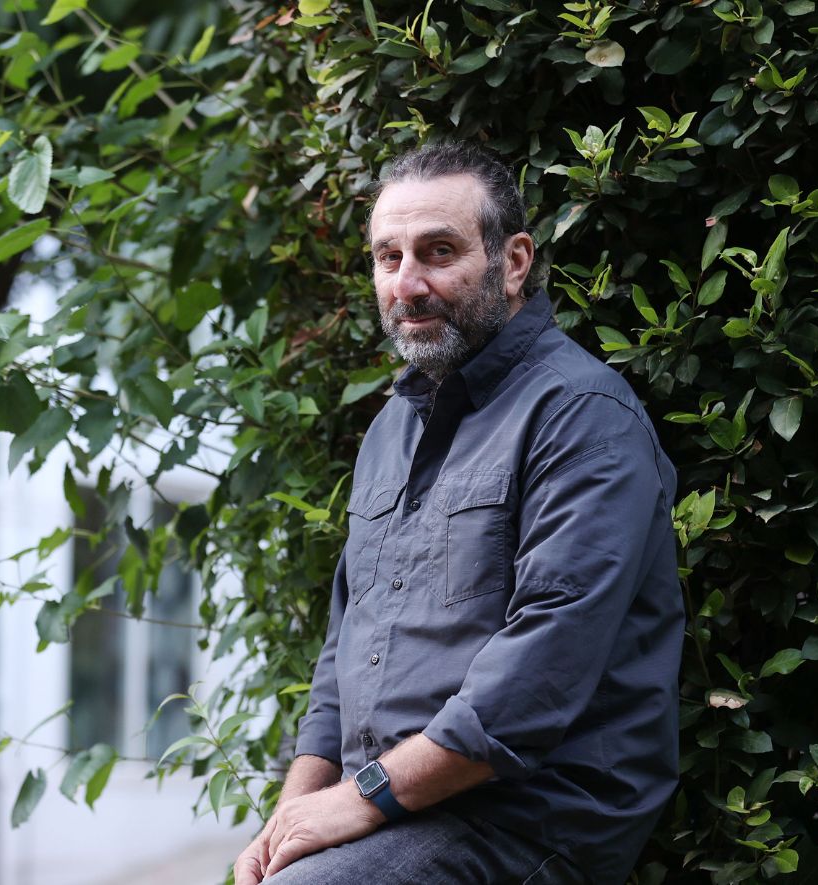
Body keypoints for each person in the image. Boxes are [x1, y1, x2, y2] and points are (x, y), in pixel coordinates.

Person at [233, 142, 683, 885]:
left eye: (438, 252)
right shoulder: (390, 429)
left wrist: (364, 797)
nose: (407, 284)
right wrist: (291, 817)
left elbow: (544, 666)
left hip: (522, 821)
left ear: (513, 262)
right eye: (388, 257)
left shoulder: (582, 415)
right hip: (391, 810)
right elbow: (342, 653)